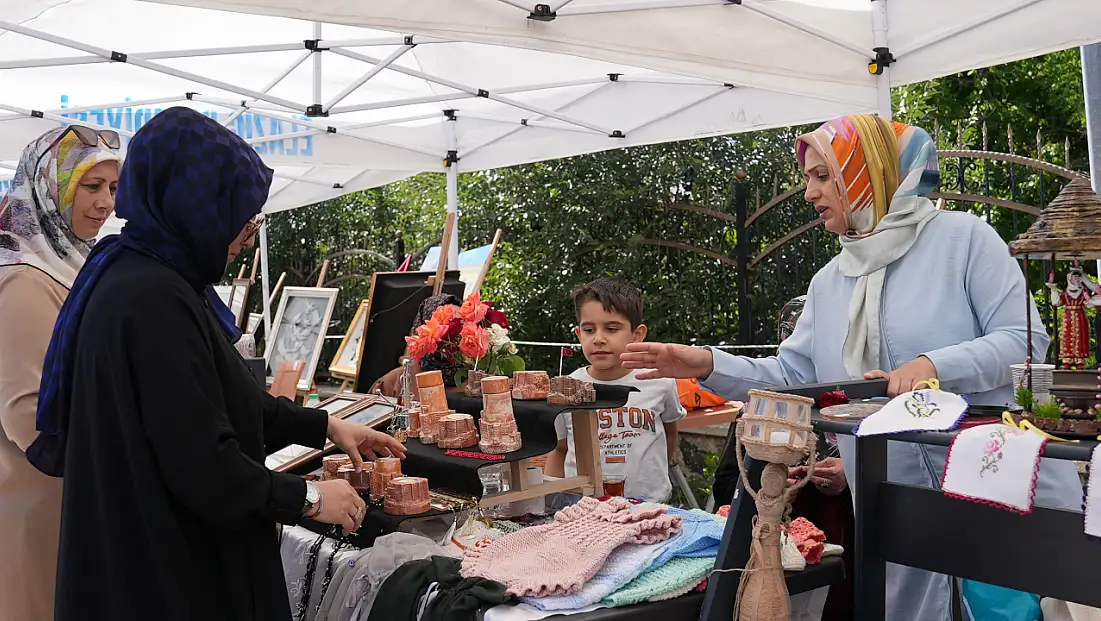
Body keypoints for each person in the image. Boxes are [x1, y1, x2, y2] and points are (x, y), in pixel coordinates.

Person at [621, 114, 1083, 621]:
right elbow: (796, 380)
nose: (808, 193)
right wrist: (705, 364)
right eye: (808, 178)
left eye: (823, 176)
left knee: (1013, 609)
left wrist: (934, 365)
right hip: (894, 502)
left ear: (870, 172)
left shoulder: (964, 239)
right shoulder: (830, 280)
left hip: (993, 485)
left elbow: (1025, 342)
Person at [27, 107, 406, 621]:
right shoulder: (151, 299)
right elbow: (202, 463)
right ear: (198, 207)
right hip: (167, 577)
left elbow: (226, 404)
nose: (244, 236)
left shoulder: (144, 275)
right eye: (240, 219)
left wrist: (328, 426)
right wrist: (310, 498)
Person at [0, 125, 123, 621]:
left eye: (113, 188)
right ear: (51, 186)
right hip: (32, 505)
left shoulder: (67, 263)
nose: (106, 203)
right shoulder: (24, 281)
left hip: (60, 497)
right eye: (90, 187)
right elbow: (26, 415)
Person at [545, 278, 686, 503]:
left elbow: (670, 432)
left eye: (611, 329)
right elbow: (560, 448)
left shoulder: (660, 381)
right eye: (589, 329)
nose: (598, 339)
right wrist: (551, 501)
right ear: (579, 335)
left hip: (648, 507)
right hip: (584, 508)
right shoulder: (566, 389)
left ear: (637, 334)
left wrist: (655, 478)